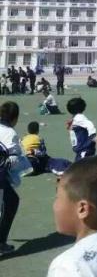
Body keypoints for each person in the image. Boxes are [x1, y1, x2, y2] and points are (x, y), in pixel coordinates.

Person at [0, 102, 22, 255]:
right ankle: (1, 242)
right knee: (10, 203)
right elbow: (13, 159)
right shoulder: (10, 133)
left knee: (11, 200)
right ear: (15, 118)